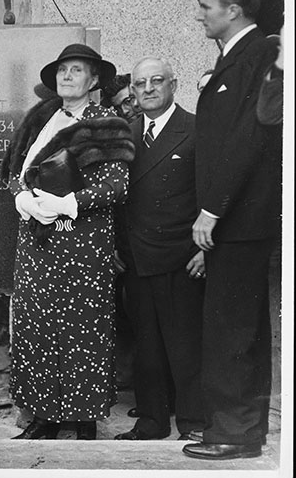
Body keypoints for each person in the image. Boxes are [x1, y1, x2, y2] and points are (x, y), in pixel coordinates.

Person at [2, 43, 134, 441]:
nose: (67, 76)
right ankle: (44, 418)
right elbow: (14, 173)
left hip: (82, 244)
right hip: (37, 244)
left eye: (76, 70)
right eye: (62, 70)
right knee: (37, 327)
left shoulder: (107, 124)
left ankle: (83, 420)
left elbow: (117, 187)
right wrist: (21, 198)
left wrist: (69, 202)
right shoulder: (39, 120)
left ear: (94, 80)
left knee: (82, 330)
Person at [183, 0, 281, 461]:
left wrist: (211, 211)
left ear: (233, 10)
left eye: (206, 6)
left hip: (238, 219)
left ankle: (235, 434)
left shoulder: (260, 54)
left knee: (233, 327)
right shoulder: (235, 57)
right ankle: (235, 427)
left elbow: (246, 141)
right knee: (233, 325)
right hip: (234, 219)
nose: (199, 14)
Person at [114, 57, 205, 442]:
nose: (148, 89)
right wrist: (116, 246)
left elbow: (214, 195)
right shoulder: (125, 135)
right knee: (146, 345)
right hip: (136, 257)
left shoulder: (197, 130)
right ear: (132, 90)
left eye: (157, 81)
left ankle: (194, 422)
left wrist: (207, 250)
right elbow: (117, 199)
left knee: (185, 343)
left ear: (173, 85)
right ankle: (151, 421)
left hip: (182, 256)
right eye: (140, 83)